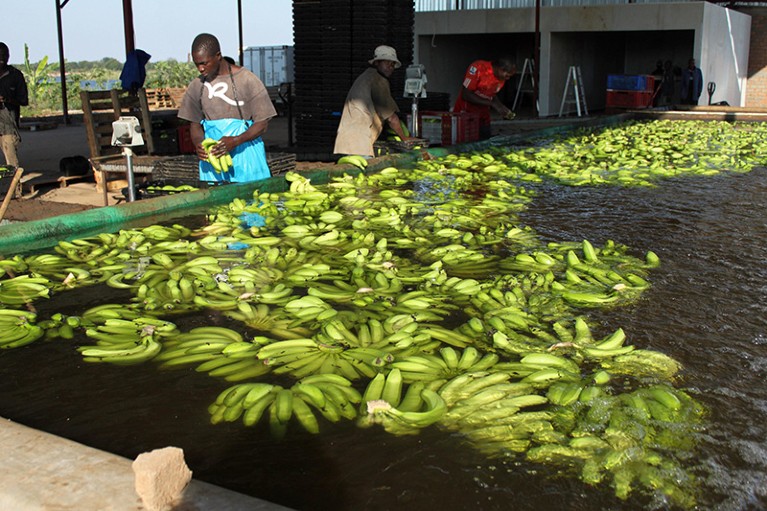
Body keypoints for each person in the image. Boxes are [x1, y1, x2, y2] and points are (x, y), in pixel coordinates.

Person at [178, 33, 276, 183]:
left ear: (218, 56)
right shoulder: (197, 86)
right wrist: (199, 143)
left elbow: (262, 124)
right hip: (213, 163)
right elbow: (195, 124)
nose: (201, 69)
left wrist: (236, 141)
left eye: (204, 63)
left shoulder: (247, 80)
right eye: (197, 64)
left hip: (246, 159)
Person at [333, 45, 411, 157]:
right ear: (377, 63)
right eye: (387, 63)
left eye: (393, 64)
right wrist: (405, 138)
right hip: (359, 143)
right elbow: (391, 117)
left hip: (347, 141)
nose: (391, 67)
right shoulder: (378, 80)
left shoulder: (367, 76)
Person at [453, 57, 516, 140]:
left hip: (483, 116)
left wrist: (501, 107)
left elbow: (491, 94)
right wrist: (492, 104)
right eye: (507, 75)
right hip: (466, 113)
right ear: (500, 69)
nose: (508, 78)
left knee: (485, 140)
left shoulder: (501, 78)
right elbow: (466, 94)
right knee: (467, 143)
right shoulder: (478, 68)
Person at [0, 42, 29, 168]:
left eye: (5, 55)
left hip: (8, 125)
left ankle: (15, 187)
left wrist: (7, 99)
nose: (2, 58)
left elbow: (24, 101)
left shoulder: (16, 76)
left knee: (11, 161)